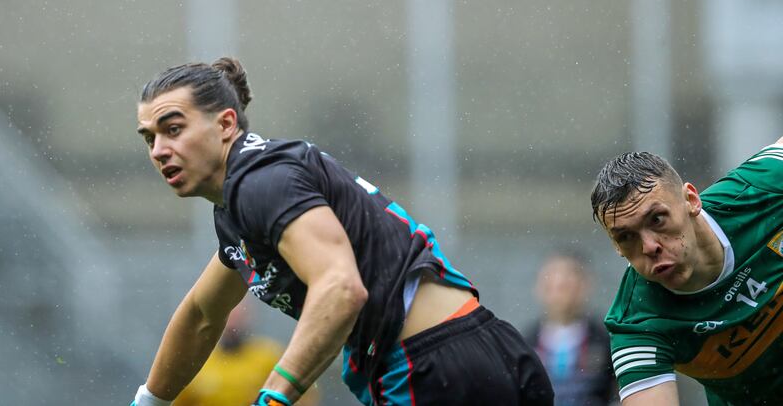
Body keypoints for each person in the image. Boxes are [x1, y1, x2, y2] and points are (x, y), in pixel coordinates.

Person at [130, 57, 553, 406]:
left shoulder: (259, 182)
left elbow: (340, 288)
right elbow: (203, 315)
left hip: (431, 370)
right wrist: (149, 401)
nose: (159, 150)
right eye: (149, 138)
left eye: (173, 128)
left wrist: (273, 397)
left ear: (225, 124)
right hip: (476, 352)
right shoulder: (243, 201)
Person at [591, 140, 783, 406]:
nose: (649, 246)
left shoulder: (763, 186)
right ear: (616, 247)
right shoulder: (638, 323)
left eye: (657, 219)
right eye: (626, 236)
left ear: (691, 200)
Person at [175, 300, 319, 406]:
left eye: (238, 316)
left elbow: (303, 398)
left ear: (248, 317)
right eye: (228, 316)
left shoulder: (268, 356)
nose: (233, 323)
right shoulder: (199, 362)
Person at [524, 250, 616, 406]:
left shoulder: (607, 341)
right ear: (538, 287)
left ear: (586, 285)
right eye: (552, 277)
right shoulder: (524, 344)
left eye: (568, 278)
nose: (559, 283)